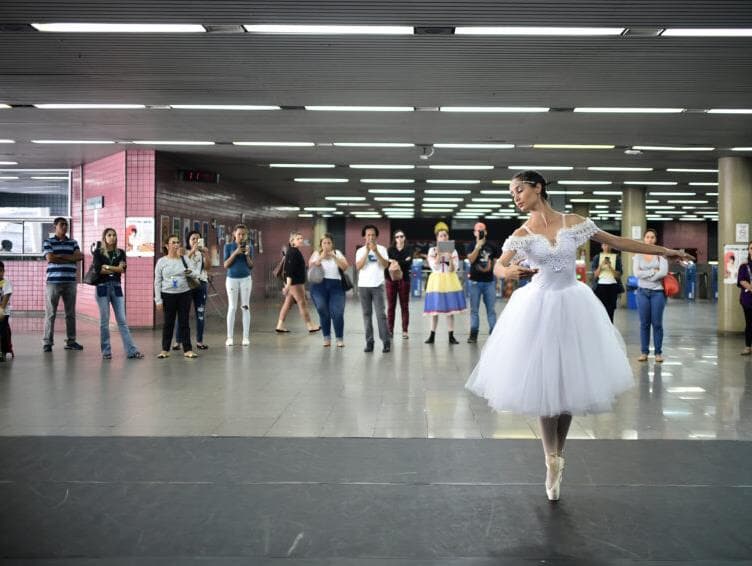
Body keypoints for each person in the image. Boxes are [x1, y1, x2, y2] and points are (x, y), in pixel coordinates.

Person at [466, 170, 691, 502]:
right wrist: (506, 271)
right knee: (545, 383)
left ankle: (560, 452)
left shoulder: (575, 221)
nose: (515, 197)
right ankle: (550, 458)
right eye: (512, 193)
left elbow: (617, 242)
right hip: (537, 309)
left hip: (573, 305)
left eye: (519, 190)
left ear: (537, 187)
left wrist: (665, 252)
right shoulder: (521, 233)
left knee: (569, 381)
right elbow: (499, 265)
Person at [92, 228, 143, 360]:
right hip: (102, 287)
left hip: (116, 286)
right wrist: (115, 268)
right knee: (104, 321)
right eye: (109, 235)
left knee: (122, 320)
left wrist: (107, 267)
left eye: (114, 235)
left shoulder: (120, 253)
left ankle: (131, 351)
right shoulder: (98, 252)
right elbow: (99, 270)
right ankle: (106, 351)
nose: (112, 237)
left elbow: (122, 269)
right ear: (104, 237)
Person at [42, 217, 83, 352]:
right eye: (62, 225)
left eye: (66, 225)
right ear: (55, 226)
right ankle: (48, 342)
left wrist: (59, 257)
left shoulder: (73, 242)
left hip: (70, 282)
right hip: (53, 283)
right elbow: (50, 258)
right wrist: (69, 257)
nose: (65, 227)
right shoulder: (48, 241)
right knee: (51, 313)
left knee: (70, 313)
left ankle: (71, 341)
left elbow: (79, 256)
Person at [154, 234, 198, 359]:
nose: (176, 244)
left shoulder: (184, 259)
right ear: (167, 246)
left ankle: (188, 349)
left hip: (184, 294)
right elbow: (157, 281)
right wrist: (158, 300)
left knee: (184, 322)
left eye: (178, 242)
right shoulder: (161, 262)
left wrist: (190, 272)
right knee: (168, 322)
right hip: (168, 295)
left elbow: (194, 273)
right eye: (173, 242)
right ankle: (165, 349)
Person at [424, 224, 466, 344]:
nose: (444, 237)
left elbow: (454, 269)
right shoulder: (432, 250)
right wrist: (440, 254)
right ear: (437, 238)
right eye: (441, 236)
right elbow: (434, 266)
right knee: (434, 310)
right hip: (436, 281)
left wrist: (450, 258)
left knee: (450, 310)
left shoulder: (454, 250)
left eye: (445, 235)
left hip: (450, 279)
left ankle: (451, 336)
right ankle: (432, 335)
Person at [634, 229, 669, 363]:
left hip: (657, 293)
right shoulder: (638, 255)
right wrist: (653, 272)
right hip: (642, 292)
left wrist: (646, 273)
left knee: (657, 324)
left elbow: (663, 272)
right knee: (644, 324)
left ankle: (658, 353)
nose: (650, 239)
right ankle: (644, 352)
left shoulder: (661, 255)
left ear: (656, 239)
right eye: (647, 237)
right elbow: (636, 273)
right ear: (644, 239)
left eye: (652, 237)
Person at [309, 233, 349, 347]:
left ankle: (339, 338)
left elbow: (345, 266)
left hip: (336, 286)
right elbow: (311, 265)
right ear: (321, 244)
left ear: (332, 244)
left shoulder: (337, 253)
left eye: (329, 243)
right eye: (324, 243)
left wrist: (334, 257)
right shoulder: (316, 253)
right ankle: (326, 337)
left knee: (337, 312)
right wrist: (322, 256)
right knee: (322, 310)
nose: (326, 245)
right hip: (319, 286)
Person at [355, 225, 391, 353]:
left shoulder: (382, 249)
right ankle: (369, 342)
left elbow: (386, 265)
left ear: (376, 236)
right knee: (366, 315)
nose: (370, 237)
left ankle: (386, 342)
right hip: (363, 286)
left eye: (373, 235)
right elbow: (359, 266)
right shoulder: (359, 251)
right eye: (368, 235)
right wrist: (366, 251)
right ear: (364, 236)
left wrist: (375, 251)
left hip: (377, 285)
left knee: (381, 315)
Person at [276, 232, 319, 333]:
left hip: (294, 283)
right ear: (292, 241)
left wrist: (288, 286)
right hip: (296, 284)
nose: (301, 240)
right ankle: (310, 325)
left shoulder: (294, 251)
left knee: (287, 304)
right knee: (302, 303)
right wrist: (288, 286)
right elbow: (289, 271)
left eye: (301, 238)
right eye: (298, 238)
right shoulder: (293, 252)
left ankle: (280, 325)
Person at [174, 230, 210, 350]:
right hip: (187, 286)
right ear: (188, 241)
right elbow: (181, 265)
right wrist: (193, 251)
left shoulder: (202, 253)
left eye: (198, 239)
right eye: (193, 239)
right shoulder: (184, 252)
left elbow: (208, 267)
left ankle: (199, 341)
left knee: (200, 314)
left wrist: (206, 255)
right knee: (182, 314)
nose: (195, 241)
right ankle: (178, 341)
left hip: (201, 284)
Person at [466, 221, 499, 343]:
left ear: (486, 232)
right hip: (474, 282)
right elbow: (471, 259)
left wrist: (497, 278)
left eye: (482, 230)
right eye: (477, 230)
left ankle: (494, 332)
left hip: (489, 282)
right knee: (474, 310)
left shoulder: (493, 246)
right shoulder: (471, 245)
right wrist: (478, 246)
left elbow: (496, 262)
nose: (480, 232)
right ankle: (473, 333)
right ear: (474, 233)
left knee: (491, 309)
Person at [223, 224, 254, 346]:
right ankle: (229, 337)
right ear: (234, 234)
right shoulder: (228, 246)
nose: (241, 236)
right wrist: (235, 253)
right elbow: (226, 265)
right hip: (232, 279)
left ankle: (245, 337)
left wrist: (247, 255)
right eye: (239, 234)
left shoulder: (249, 246)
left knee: (245, 307)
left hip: (246, 279)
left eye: (243, 234)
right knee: (232, 307)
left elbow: (251, 266)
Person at [386, 229, 412, 339]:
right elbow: (387, 262)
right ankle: (390, 330)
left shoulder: (409, 249)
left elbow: (408, 263)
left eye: (401, 236)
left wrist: (395, 261)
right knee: (391, 306)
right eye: (397, 237)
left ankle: (405, 330)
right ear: (394, 239)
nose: (399, 238)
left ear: (404, 237)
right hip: (391, 279)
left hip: (404, 279)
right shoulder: (390, 249)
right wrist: (402, 261)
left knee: (404, 306)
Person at [591, 242, 623, 323]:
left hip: (612, 287)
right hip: (600, 287)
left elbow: (618, 275)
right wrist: (601, 266)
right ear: (602, 246)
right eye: (605, 245)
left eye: (609, 244)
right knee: (600, 311)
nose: (607, 247)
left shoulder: (617, 257)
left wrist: (610, 267)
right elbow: (595, 275)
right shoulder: (597, 258)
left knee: (610, 311)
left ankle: (610, 332)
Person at [737, 241, 752, 356]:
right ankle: (748, 346)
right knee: (749, 323)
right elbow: (742, 281)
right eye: (751, 248)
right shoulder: (744, 266)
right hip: (748, 299)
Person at [0, 260, 13, 361]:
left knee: (3, 332)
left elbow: (6, 295)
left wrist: (1, 310)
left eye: (1, 271)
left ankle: (3, 351)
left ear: (4, 271)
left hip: (3, 312)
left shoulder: (6, 282)